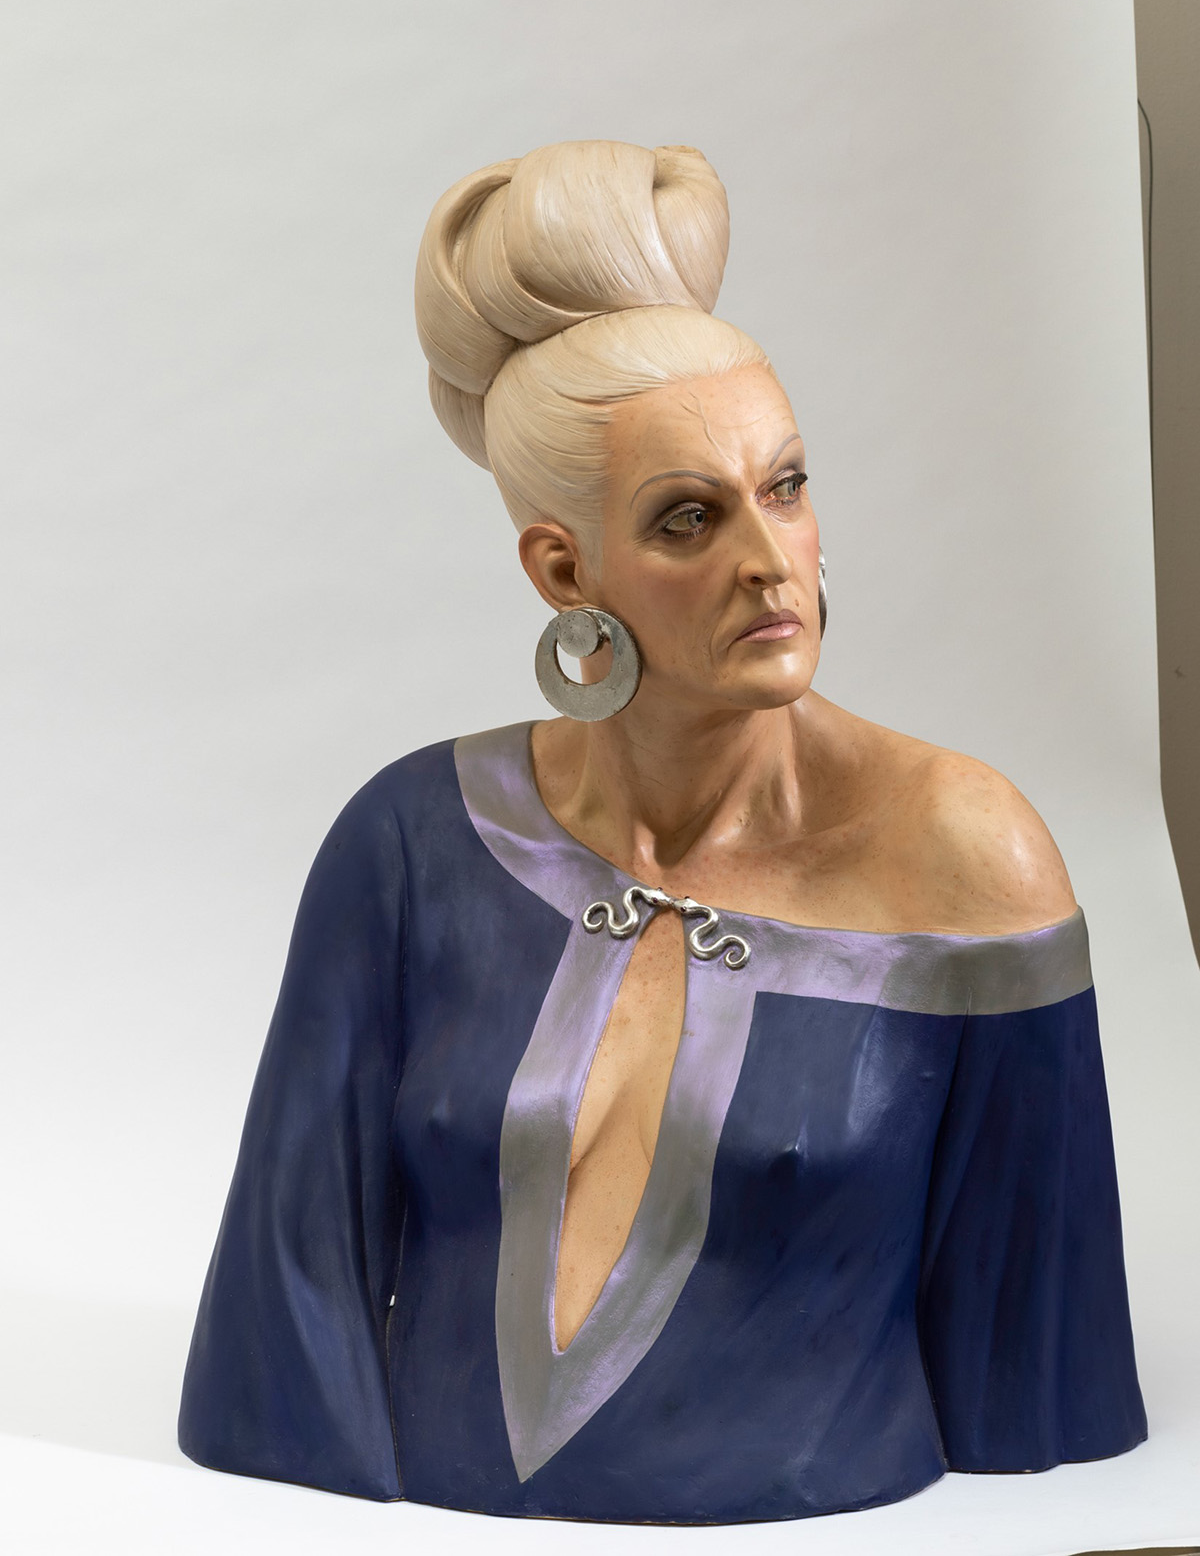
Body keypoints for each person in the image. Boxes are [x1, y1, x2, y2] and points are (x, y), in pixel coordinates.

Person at [178, 140, 1146, 1523]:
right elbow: (280, 1365)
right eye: (689, 518)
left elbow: (1036, 1397)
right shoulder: (409, 846)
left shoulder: (967, 858)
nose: (768, 558)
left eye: (787, 486)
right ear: (564, 568)